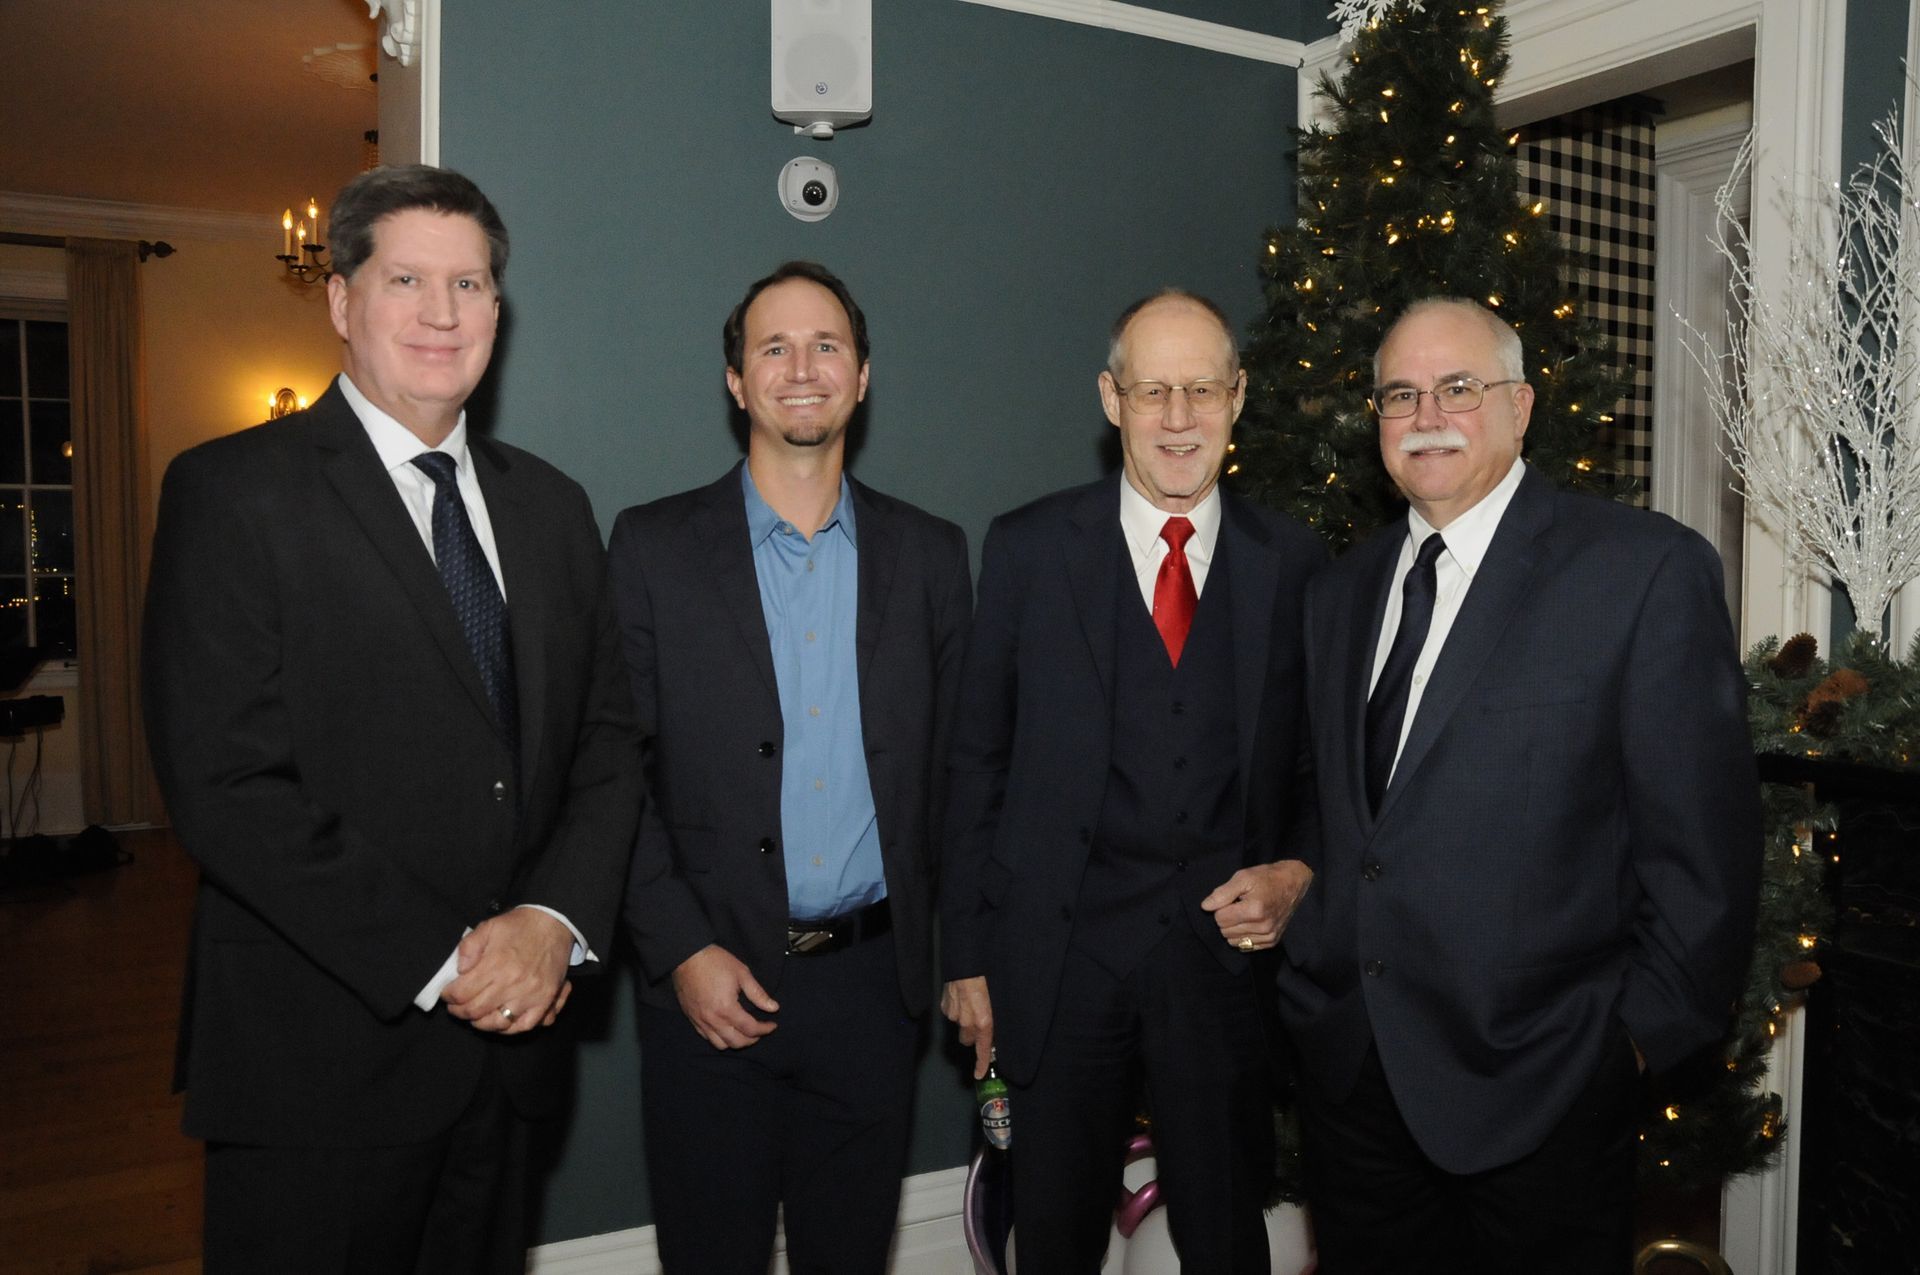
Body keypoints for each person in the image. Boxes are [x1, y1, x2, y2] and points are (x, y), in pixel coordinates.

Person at [142, 164, 641, 1273]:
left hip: (515, 1063)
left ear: (498, 315)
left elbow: (608, 740)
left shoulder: (552, 507)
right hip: (318, 1058)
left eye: (470, 284)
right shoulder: (231, 491)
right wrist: (447, 959)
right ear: (340, 301)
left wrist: (552, 921)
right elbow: (224, 784)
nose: (442, 312)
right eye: (407, 278)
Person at [1275, 296, 1763, 1272]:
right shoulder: (1339, 593)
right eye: (1399, 395)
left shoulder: (1640, 572)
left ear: (1523, 406)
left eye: (1459, 388)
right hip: (1354, 1082)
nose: (1426, 415)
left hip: (1543, 1086)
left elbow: (1705, 850)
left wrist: (1626, 1047)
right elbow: (1345, 821)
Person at [940, 289, 1322, 1272]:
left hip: (1223, 971)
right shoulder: (1027, 550)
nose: (1179, 417)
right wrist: (967, 953)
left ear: (1239, 398)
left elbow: (1326, 773)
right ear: (1112, 400)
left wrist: (1295, 874)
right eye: (1155, 390)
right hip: (1061, 961)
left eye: (1202, 389)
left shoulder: (1297, 564)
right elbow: (976, 758)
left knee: (1226, 1241)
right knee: (1056, 1240)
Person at [607, 261, 972, 1275]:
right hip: (708, 990)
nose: (801, 368)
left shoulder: (933, 556)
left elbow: (960, 777)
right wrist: (679, 948)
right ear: (736, 381)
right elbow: (610, 778)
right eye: (773, 347)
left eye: (826, 346)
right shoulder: (651, 549)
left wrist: (975, 952)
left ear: (862, 378)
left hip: (872, 993)